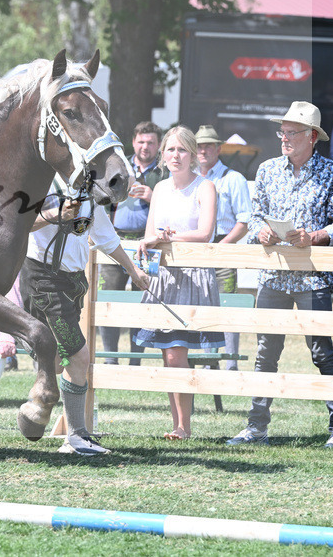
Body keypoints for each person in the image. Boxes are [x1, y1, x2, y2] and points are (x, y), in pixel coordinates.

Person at [226, 101, 333, 450]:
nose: (284, 137)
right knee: (266, 352)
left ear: (312, 137)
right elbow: (254, 218)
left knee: (322, 351)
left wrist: (315, 236)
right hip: (273, 276)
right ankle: (256, 426)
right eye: (282, 131)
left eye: (292, 132)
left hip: (313, 276)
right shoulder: (268, 171)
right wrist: (261, 232)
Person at [22, 180, 151, 456]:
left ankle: (36, 406)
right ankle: (76, 437)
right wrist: (56, 214)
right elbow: (22, 223)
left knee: (56, 363)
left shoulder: (90, 193)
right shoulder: (43, 182)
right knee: (79, 356)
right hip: (43, 278)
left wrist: (133, 271)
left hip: (74, 283)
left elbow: (107, 238)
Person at [135, 126, 222, 440]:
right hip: (163, 277)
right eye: (170, 150)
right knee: (166, 353)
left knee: (176, 353)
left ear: (193, 154)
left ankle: (183, 427)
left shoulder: (205, 186)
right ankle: (177, 424)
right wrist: (152, 242)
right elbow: (148, 233)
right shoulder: (159, 188)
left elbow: (205, 233)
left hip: (193, 278)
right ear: (163, 155)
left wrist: (168, 238)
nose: (175, 156)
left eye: (182, 150)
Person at [99, 121, 165, 366]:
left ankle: (135, 359)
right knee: (109, 300)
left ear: (158, 145)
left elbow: (170, 204)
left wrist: (151, 196)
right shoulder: (120, 164)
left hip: (145, 244)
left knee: (142, 302)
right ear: (134, 142)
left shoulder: (164, 169)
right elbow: (102, 194)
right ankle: (110, 358)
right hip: (114, 241)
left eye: (150, 142)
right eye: (140, 141)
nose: (145, 146)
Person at [192, 124, 252, 372]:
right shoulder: (191, 179)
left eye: (208, 145)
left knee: (227, 305)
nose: (203, 150)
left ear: (218, 149)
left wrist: (222, 247)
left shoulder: (233, 178)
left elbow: (245, 221)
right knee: (202, 305)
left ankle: (229, 364)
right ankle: (207, 362)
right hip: (196, 247)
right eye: (198, 146)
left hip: (223, 246)